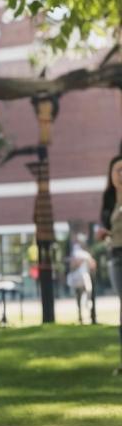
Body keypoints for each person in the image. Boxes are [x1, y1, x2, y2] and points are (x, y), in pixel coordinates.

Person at [99, 153, 122, 375]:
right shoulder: (108, 199)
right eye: (117, 170)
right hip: (116, 256)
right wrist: (102, 233)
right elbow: (105, 225)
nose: (121, 174)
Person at [66, 234, 96, 324]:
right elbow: (73, 265)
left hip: (84, 278)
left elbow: (93, 265)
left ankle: (89, 313)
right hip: (78, 279)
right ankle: (81, 316)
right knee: (79, 296)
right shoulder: (78, 253)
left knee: (87, 292)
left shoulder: (86, 254)